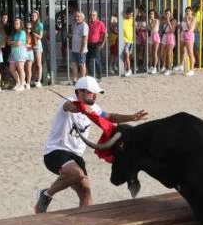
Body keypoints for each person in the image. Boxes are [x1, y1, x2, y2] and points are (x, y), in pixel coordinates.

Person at [35, 76, 147, 213]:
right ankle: (46, 195)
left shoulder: (94, 108)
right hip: (55, 152)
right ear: (79, 92)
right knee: (76, 174)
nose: (94, 96)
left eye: (96, 93)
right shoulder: (68, 101)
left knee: (87, 200)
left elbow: (111, 117)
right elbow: (70, 107)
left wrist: (131, 117)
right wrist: (80, 108)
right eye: (90, 92)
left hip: (76, 156)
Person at [86, 10, 106, 82]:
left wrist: (102, 44)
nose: (92, 17)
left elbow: (105, 34)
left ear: (96, 16)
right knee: (88, 60)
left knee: (97, 61)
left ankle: (99, 77)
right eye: (91, 15)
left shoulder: (100, 23)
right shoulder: (88, 24)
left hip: (97, 44)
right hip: (89, 44)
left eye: (93, 15)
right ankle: (91, 75)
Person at [8, 18, 27, 91]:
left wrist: (13, 43)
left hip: (20, 51)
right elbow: (8, 42)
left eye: (17, 24)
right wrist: (15, 43)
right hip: (13, 52)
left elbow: (19, 43)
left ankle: (22, 84)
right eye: (15, 24)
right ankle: (18, 83)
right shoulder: (14, 33)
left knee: (20, 68)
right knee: (11, 68)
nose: (16, 25)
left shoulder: (22, 32)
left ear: (20, 24)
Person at [70, 11, 89, 83]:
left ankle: (82, 80)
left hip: (81, 50)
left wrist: (82, 49)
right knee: (74, 64)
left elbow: (85, 38)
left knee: (82, 64)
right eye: (76, 16)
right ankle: (74, 80)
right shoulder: (75, 25)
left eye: (78, 17)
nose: (76, 18)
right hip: (74, 49)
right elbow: (76, 35)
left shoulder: (84, 25)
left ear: (82, 18)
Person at [180, 7, 197, 75]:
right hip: (183, 33)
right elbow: (181, 26)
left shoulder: (193, 18)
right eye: (186, 11)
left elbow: (190, 27)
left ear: (192, 12)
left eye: (189, 11)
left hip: (189, 34)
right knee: (182, 50)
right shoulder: (184, 18)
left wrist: (187, 21)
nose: (187, 13)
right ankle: (181, 65)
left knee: (190, 53)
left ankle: (191, 69)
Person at [30, 10, 44, 87]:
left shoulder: (40, 25)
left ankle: (39, 80)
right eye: (32, 16)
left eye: (35, 16)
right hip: (31, 44)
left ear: (37, 16)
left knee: (38, 63)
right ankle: (33, 79)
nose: (33, 17)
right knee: (33, 63)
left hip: (37, 44)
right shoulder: (30, 24)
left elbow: (40, 36)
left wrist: (33, 33)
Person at [120, 8, 134, 76]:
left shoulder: (133, 20)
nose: (129, 16)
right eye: (128, 14)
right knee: (126, 55)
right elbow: (121, 31)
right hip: (125, 41)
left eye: (131, 14)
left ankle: (125, 70)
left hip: (131, 41)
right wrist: (123, 40)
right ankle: (129, 70)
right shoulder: (123, 20)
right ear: (126, 14)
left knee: (127, 57)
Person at [147, 9, 160, 74]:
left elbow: (153, 28)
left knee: (154, 53)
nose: (151, 15)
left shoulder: (156, 20)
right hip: (150, 37)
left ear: (154, 15)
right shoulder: (148, 21)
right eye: (150, 13)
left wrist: (149, 23)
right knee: (150, 53)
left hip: (155, 36)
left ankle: (155, 67)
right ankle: (151, 66)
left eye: (152, 14)